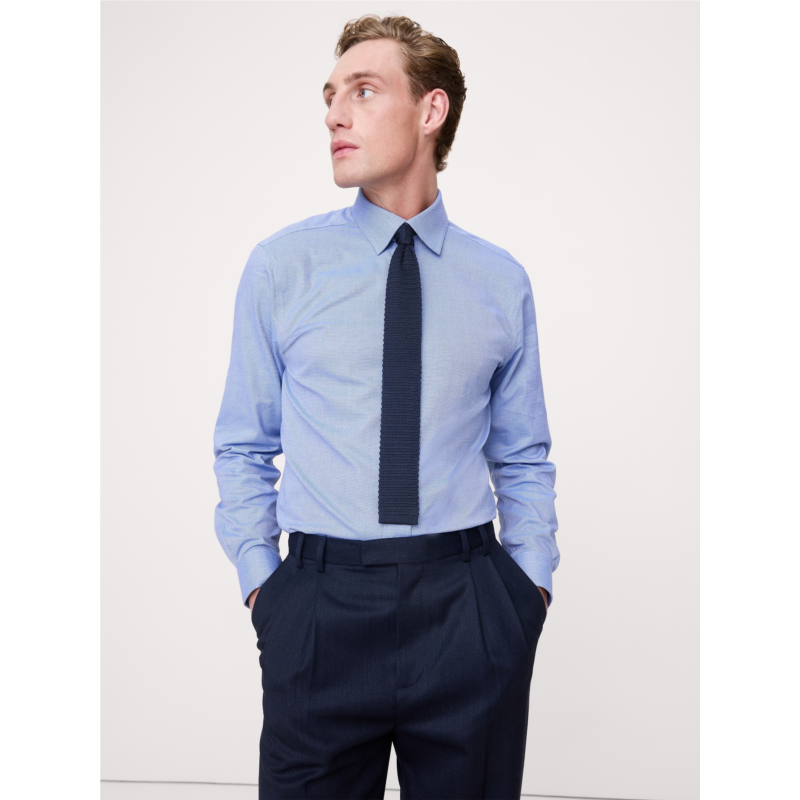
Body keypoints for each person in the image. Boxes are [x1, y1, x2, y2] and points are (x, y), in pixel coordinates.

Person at [213, 14, 560, 800]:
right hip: (319, 609)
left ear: (431, 110)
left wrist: (526, 590)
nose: (335, 115)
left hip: (468, 608)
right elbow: (243, 445)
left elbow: (522, 454)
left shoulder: (500, 281)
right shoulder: (282, 267)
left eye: (363, 92)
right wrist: (267, 588)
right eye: (330, 96)